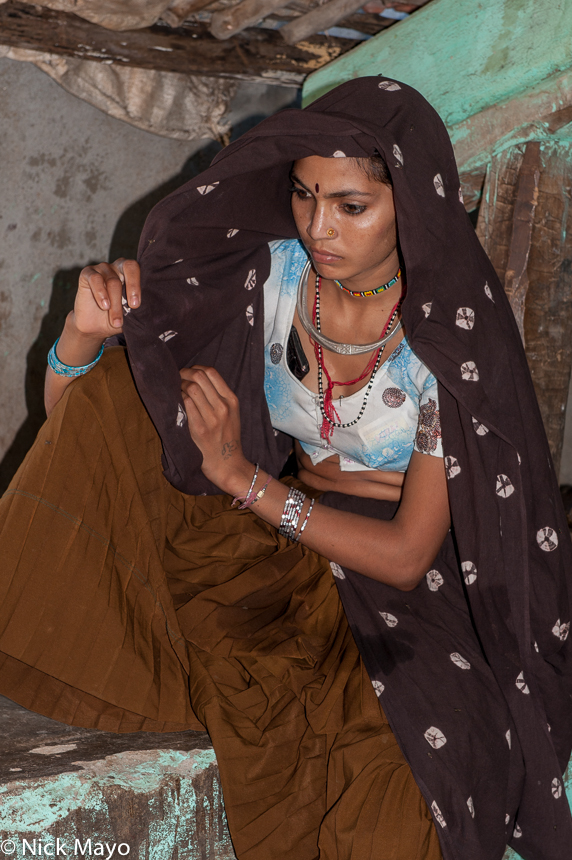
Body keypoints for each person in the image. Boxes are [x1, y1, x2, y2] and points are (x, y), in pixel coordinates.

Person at [0, 77, 571, 860]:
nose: (318, 228)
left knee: (391, 796)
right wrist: (78, 334)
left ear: (408, 201)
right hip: (269, 549)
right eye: (304, 197)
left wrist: (243, 480)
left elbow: (408, 558)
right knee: (116, 401)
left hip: (403, 596)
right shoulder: (270, 278)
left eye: (350, 206)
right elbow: (86, 429)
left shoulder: (448, 338)